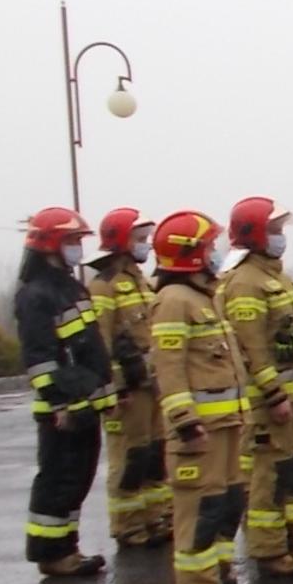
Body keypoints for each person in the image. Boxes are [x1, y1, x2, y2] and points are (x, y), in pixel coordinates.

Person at [148, 210, 255, 584]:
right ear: (189, 253)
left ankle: (221, 574)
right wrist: (185, 421)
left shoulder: (203, 298)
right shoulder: (174, 301)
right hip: (200, 430)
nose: (216, 252)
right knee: (200, 506)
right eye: (209, 246)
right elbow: (169, 367)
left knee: (227, 502)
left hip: (226, 424)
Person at [217, 196, 293, 580]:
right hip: (269, 403)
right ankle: (268, 551)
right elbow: (252, 349)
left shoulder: (278, 278)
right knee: (269, 477)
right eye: (275, 230)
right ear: (255, 234)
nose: (281, 237)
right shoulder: (244, 283)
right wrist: (275, 395)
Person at [16, 206, 116, 577]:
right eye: (72, 240)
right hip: (63, 409)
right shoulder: (36, 295)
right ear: (51, 244)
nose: (78, 247)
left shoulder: (70, 288)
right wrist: (58, 402)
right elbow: (40, 359)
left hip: (84, 404)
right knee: (58, 481)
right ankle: (50, 553)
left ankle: (67, 548)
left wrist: (106, 397)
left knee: (77, 480)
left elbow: (90, 350)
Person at [86, 207, 170, 550]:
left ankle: (156, 516)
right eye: (139, 239)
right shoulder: (104, 286)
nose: (145, 245)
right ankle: (128, 524)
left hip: (152, 386)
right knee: (130, 457)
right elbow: (100, 343)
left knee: (155, 454)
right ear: (121, 241)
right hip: (129, 391)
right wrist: (115, 388)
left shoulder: (142, 282)